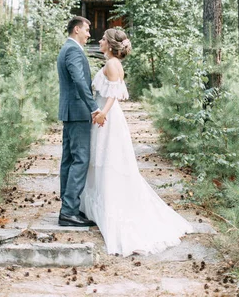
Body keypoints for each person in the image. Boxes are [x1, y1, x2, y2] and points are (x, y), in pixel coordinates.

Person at [80, 28, 194, 256]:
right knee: (101, 160)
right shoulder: (111, 63)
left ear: (110, 45)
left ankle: (111, 207)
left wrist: (102, 112)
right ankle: (95, 207)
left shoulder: (112, 64)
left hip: (108, 117)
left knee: (107, 160)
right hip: (105, 115)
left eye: (103, 39)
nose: (99, 41)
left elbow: (113, 93)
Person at [57, 16, 100, 227]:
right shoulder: (73, 50)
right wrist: (94, 107)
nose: (89, 34)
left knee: (69, 160)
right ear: (76, 30)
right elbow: (79, 80)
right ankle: (69, 211)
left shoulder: (67, 48)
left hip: (70, 111)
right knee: (80, 159)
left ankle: (67, 208)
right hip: (78, 112)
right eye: (86, 30)